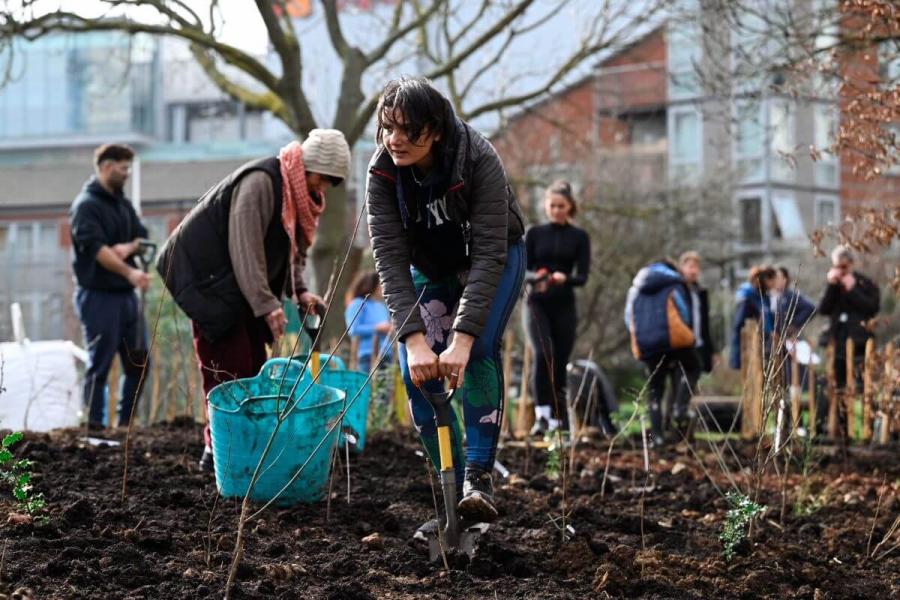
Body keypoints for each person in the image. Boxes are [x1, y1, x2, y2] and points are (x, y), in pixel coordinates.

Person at [366, 76, 525, 524]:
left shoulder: (477, 158)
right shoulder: (382, 173)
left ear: (434, 128)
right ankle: (452, 488)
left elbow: (492, 250)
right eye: (387, 128)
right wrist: (414, 341)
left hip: (492, 257)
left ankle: (479, 477)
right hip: (432, 266)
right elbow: (390, 260)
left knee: (477, 353)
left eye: (407, 130)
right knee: (415, 373)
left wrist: (463, 337)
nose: (394, 140)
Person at [157, 129, 352, 472]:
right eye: (322, 180)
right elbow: (244, 249)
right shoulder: (261, 183)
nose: (322, 190)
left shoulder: (297, 199)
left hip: (239, 289)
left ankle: (245, 452)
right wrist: (267, 304)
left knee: (251, 371)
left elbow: (291, 251)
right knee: (228, 373)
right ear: (308, 167)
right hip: (209, 283)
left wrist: (299, 291)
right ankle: (218, 453)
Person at [69, 143, 151, 431]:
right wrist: (129, 272)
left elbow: (141, 238)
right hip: (98, 295)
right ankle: (94, 426)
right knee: (100, 363)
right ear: (105, 166)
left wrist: (125, 247)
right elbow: (97, 250)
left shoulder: (123, 205)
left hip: (126, 297)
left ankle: (126, 425)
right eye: (123, 167)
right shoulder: (86, 207)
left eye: (129, 167)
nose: (127, 173)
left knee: (139, 362)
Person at [524, 180, 590, 436]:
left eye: (561, 206)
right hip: (536, 302)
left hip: (563, 303)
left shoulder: (579, 237)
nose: (556, 210)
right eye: (552, 205)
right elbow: (522, 271)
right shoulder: (534, 233)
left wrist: (565, 278)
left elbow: (582, 276)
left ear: (570, 207)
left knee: (561, 359)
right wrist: (537, 277)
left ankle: (559, 420)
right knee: (544, 354)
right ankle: (541, 416)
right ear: (545, 206)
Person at [624, 258, 701, 445]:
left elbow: (628, 317)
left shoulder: (635, 288)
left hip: (648, 345)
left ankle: (656, 437)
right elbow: (683, 311)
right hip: (674, 339)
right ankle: (679, 408)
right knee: (693, 368)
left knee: (655, 390)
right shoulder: (675, 283)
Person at [817, 245, 880, 431]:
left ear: (851, 265)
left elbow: (871, 308)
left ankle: (866, 427)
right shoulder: (832, 285)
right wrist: (831, 285)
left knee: (861, 385)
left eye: (844, 267)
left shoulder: (864, 283)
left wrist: (852, 288)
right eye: (837, 266)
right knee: (836, 385)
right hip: (837, 342)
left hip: (859, 343)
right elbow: (823, 309)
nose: (841, 271)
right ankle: (838, 427)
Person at [344, 270, 393, 373]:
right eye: (380, 284)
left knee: (385, 388)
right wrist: (377, 328)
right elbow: (353, 329)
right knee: (370, 388)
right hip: (367, 357)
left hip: (386, 355)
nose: (383, 287)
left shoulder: (381, 306)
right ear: (371, 285)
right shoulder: (358, 304)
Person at [729, 265, 775, 370]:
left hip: (765, 344)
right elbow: (739, 325)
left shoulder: (764, 297)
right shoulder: (747, 298)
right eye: (771, 280)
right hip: (752, 345)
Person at [770, 266, 816, 337]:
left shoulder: (791, 295)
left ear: (785, 279)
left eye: (778, 278)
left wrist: (794, 324)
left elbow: (810, 307)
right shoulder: (768, 295)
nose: (775, 280)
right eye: (773, 278)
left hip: (786, 337)